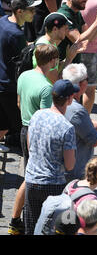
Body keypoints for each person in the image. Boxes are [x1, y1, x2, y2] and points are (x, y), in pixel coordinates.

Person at [7, 43, 58, 235]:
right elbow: (45, 117)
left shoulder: (24, 76)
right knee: (32, 178)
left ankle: (15, 220)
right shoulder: (46, 87)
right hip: (36, 134)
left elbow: (19, 102)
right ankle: (25, 220)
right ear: (52, 61)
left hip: (24, 128)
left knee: (29, 176)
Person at [23, 79, 78, 235]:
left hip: (32, 180)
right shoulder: (67, 127)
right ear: (69, 99)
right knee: (51, 230)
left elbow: (30, 147)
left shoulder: (37, 115)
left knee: (32, 228)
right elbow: (69, 165)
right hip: (53, 185)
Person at [0, 0, 40, 150]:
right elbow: (25, 61)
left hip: (2, 84)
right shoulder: (16, 34)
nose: (34, 13)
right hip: (9, 87)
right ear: (19, 11)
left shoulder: (3, 21)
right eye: (31, 10)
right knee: (22, 125)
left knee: (3, 125)